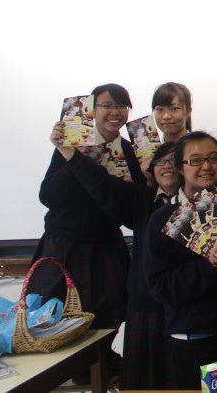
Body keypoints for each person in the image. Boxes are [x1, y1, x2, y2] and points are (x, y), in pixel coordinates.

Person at [58, 138, 179, 389]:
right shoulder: (142, 200)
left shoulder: (202, 204)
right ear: (151, 169)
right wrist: (73, 156)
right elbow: (102, 184)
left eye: (174, 161)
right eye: (161, 161)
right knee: (143, 382)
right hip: (146, 307)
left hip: (185, 308)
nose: (167, 166)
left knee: (180, 380)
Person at [33, 83, 144, 358]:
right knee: (58, 319)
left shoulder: (129, 150)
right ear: (92, 110)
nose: (115, 112)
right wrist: (74, 160)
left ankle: (104, 369)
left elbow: (132, 209)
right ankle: (74, 372)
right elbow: (48, 196)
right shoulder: (71, 144)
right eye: (107, 105)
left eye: (121, 106)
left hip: (106, 245)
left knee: (110, 317)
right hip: (65, 246)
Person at [144, 131, 217, 388]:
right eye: (196, 160)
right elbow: (160, 286)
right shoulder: (164, 219)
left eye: (214, 158)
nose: (206, 166)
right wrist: (209, 265)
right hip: (195, 338)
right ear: (180, 167)